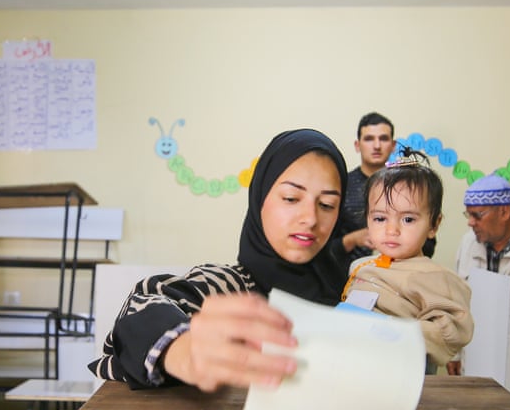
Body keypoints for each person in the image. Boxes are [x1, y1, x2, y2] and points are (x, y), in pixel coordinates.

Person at [89, 128, 348, 392]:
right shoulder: (231, 286)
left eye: (326, 204)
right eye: (291, 198)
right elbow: (142, 306)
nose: (311, 218)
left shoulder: (351, 291)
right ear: (259, 198)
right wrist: (181, 350)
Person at [342, 156, 473, 372]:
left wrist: (391, 330)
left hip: (405, 377)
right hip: (357, 371)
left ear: (434, 224)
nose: (391, 230)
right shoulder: (361, 266)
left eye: (408, 219)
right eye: (380, 218)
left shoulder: (433, 276)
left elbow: (453, 332)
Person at [333, 112, 395, 265]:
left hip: (396, 278)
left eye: (383, 138)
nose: (377, 146)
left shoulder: (405, 188)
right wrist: (353, 239)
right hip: (345, 279)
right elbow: (323, 248)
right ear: (357, 145)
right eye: (369, 139)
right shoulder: (341, 185)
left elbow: (427, 244)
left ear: (393, 146)